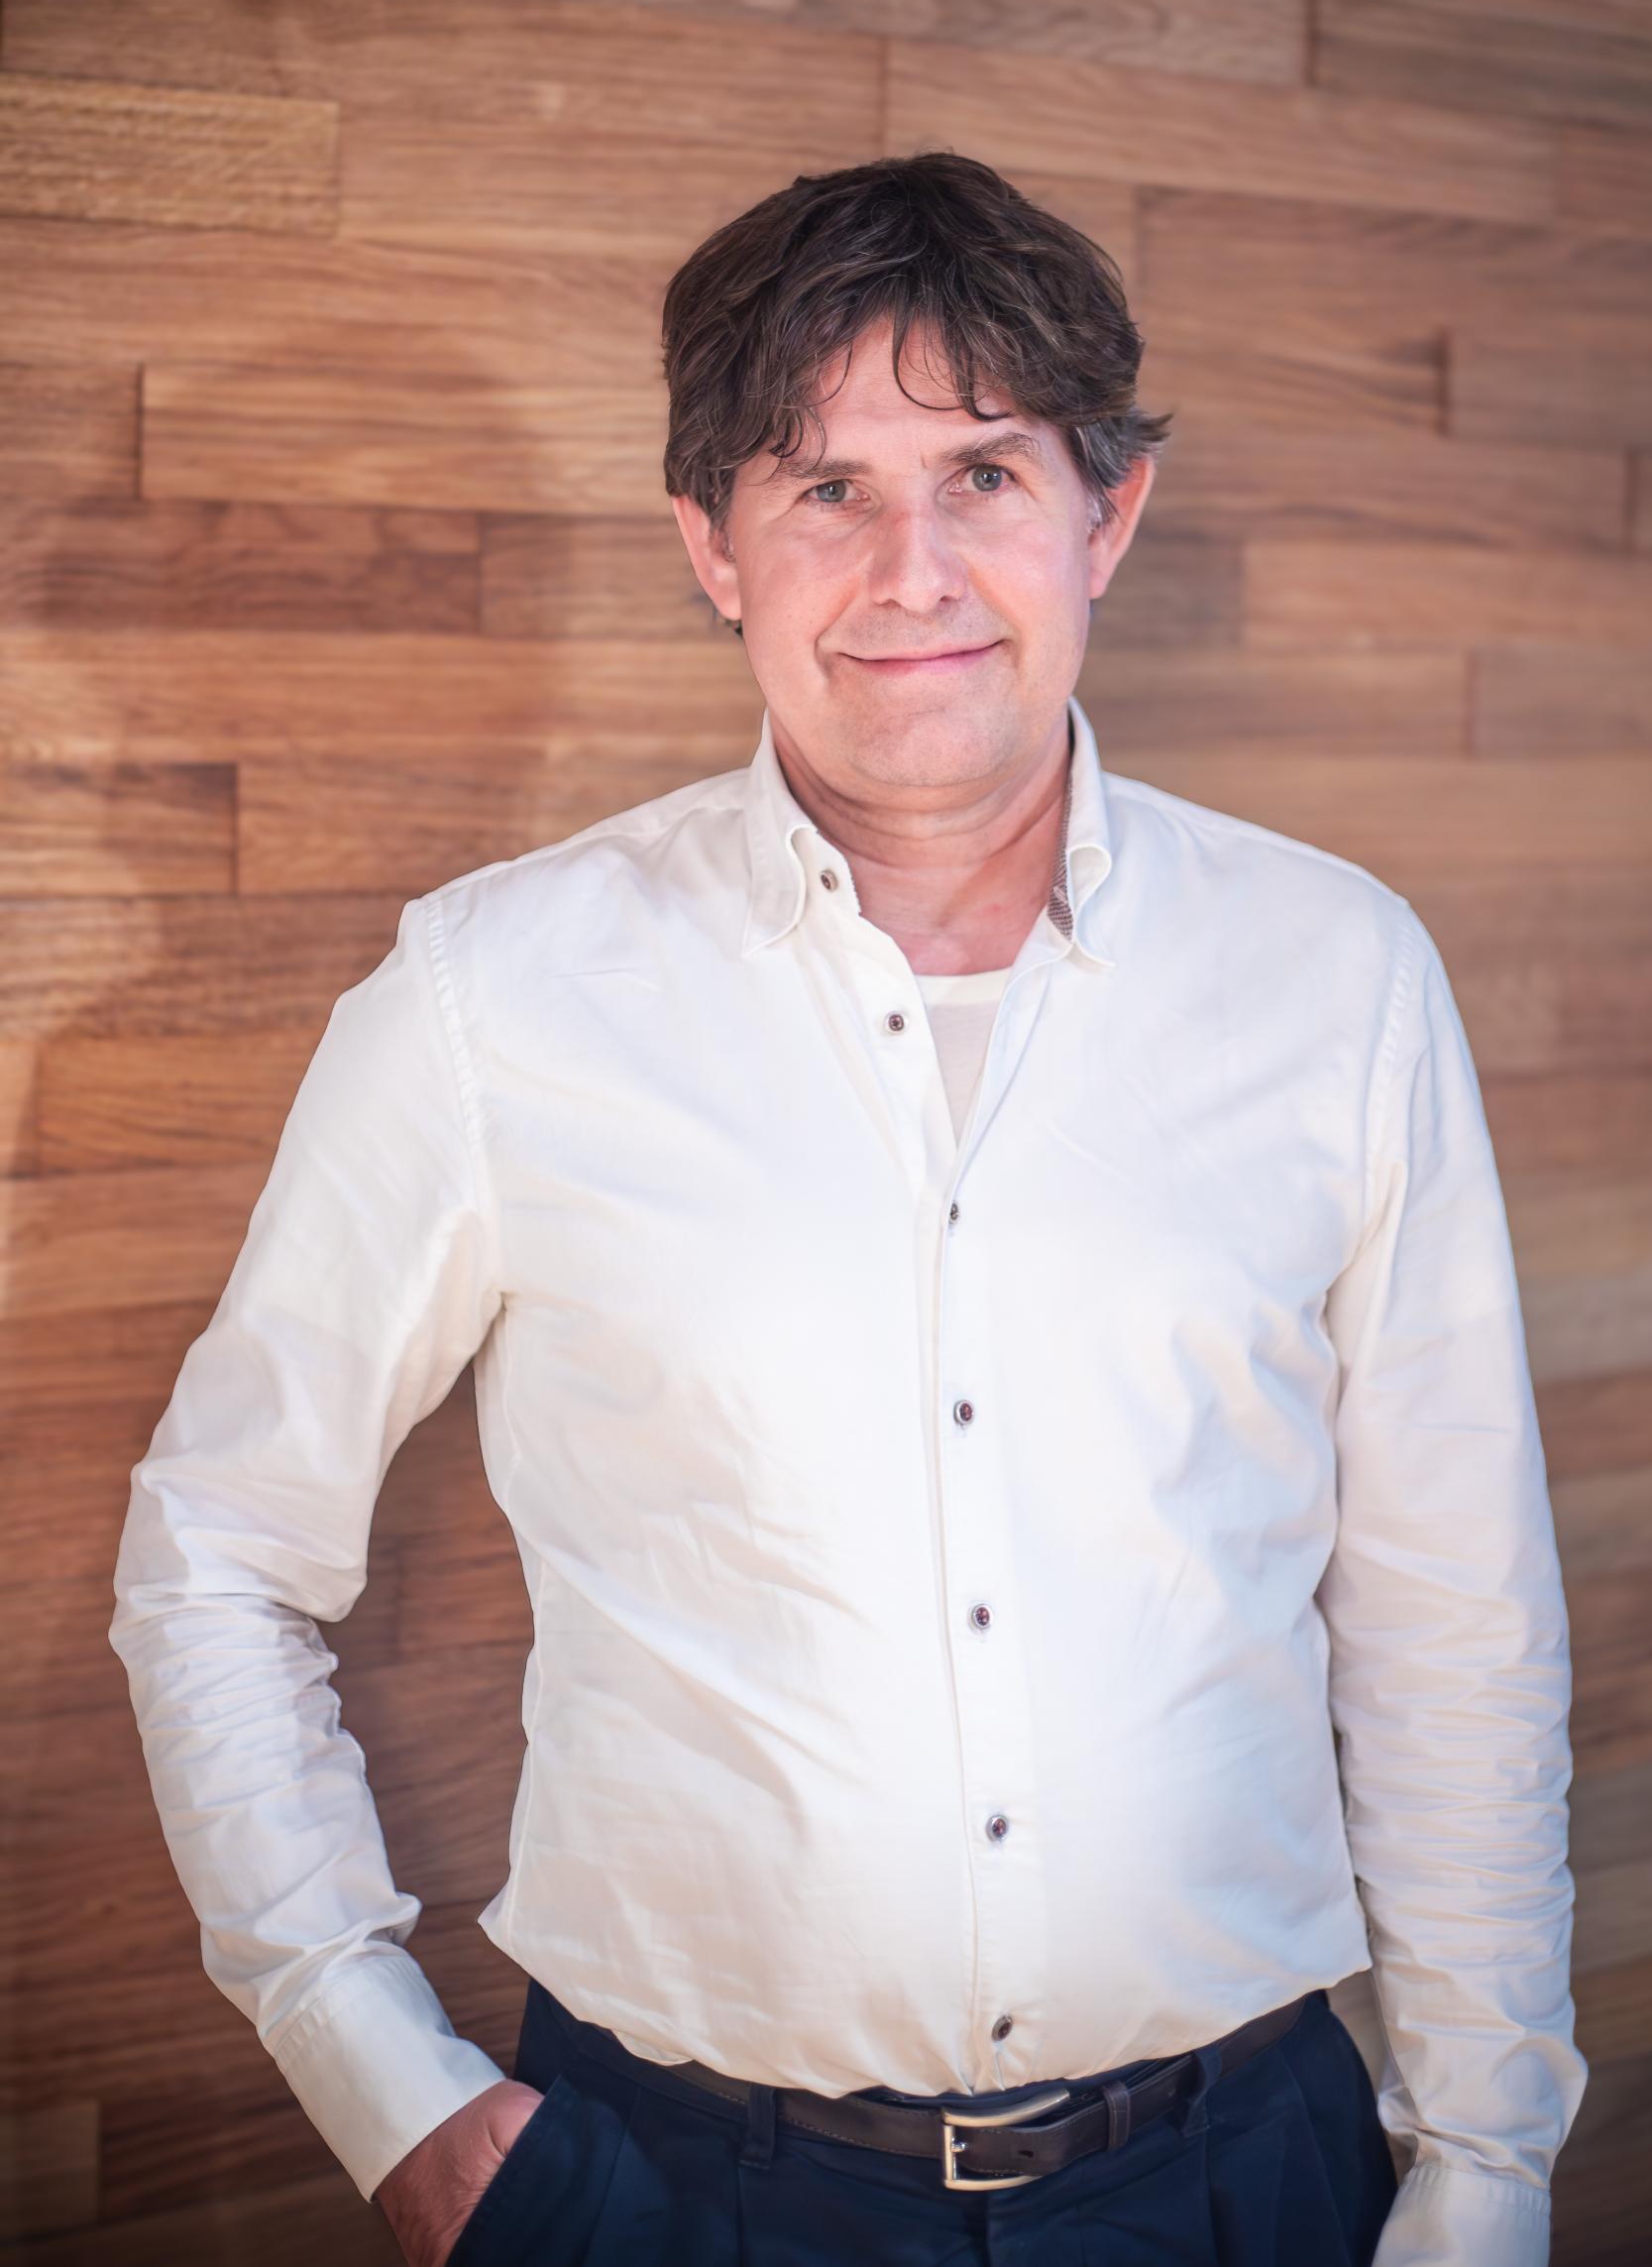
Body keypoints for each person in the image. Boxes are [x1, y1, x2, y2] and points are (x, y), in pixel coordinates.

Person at [109, 152, 1586, 2267]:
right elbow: (218, 1554)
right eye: (826, 487)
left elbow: (1456, 1624)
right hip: (676, 2189)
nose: (915, 570)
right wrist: (388, 2091)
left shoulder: (1339, 975)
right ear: (712, 544)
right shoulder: (488, 998)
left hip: (1252, 2174)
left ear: (1107, 516)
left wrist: (1486, 2169)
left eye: (985, 472)